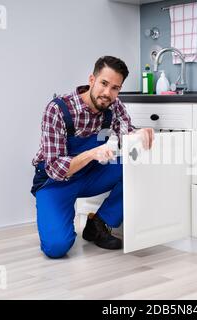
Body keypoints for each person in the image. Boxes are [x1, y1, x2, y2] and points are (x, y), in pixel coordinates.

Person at [31, 56, 154, 259]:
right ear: (92, 80)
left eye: (115, 88)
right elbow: (53, 167)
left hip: (89, 174)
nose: (108, 93)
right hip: (55, 182)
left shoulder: (114, 106)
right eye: (104, 83)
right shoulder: (58, 109)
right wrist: (92, 153)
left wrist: (138, 135)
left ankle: (98, 224)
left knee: (135, 165)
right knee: (56, 248)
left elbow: (126, 134)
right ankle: (60, 218)